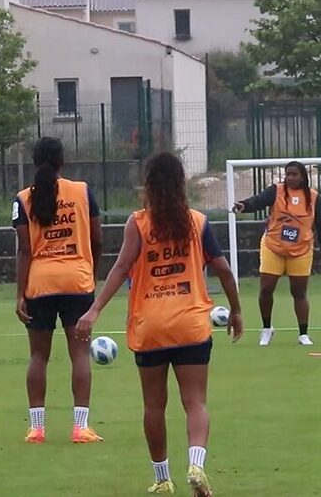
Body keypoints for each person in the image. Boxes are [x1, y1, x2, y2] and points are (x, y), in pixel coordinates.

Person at [76, 151, 243, 496]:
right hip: (190, 325)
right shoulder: (197, 222)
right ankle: (196, 464)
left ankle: (163, 477)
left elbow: (121, 268)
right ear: (181, 184)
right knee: (195, 402)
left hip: (150, 325)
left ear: (148, 185)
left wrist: (93, 311)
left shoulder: (138, 223)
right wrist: (237, 310)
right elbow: (224, 269)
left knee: (154, 405)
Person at [13, 137, 103, 444]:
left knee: (38, 356)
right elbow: (98, 240)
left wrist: (19, 293)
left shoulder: (22, 198)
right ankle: (81, 427)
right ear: (63, 161)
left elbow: (25, 250)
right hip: (77, 280)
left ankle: (36, 428)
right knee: (80, 355)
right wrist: (91, 272)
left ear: (35, 162)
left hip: (40, 282)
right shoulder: (82, 191)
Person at [232, 161, 321, 346]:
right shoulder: (275, 191)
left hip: (301, 250)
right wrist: (244, 205)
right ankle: (267, 329)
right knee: (266, 288)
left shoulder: (314, 197)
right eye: (288, 174)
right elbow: (258, 201)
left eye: (294, 174)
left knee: (299, 292)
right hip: (273, 247)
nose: (290, 178)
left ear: (303, 176)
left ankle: (303, 334)